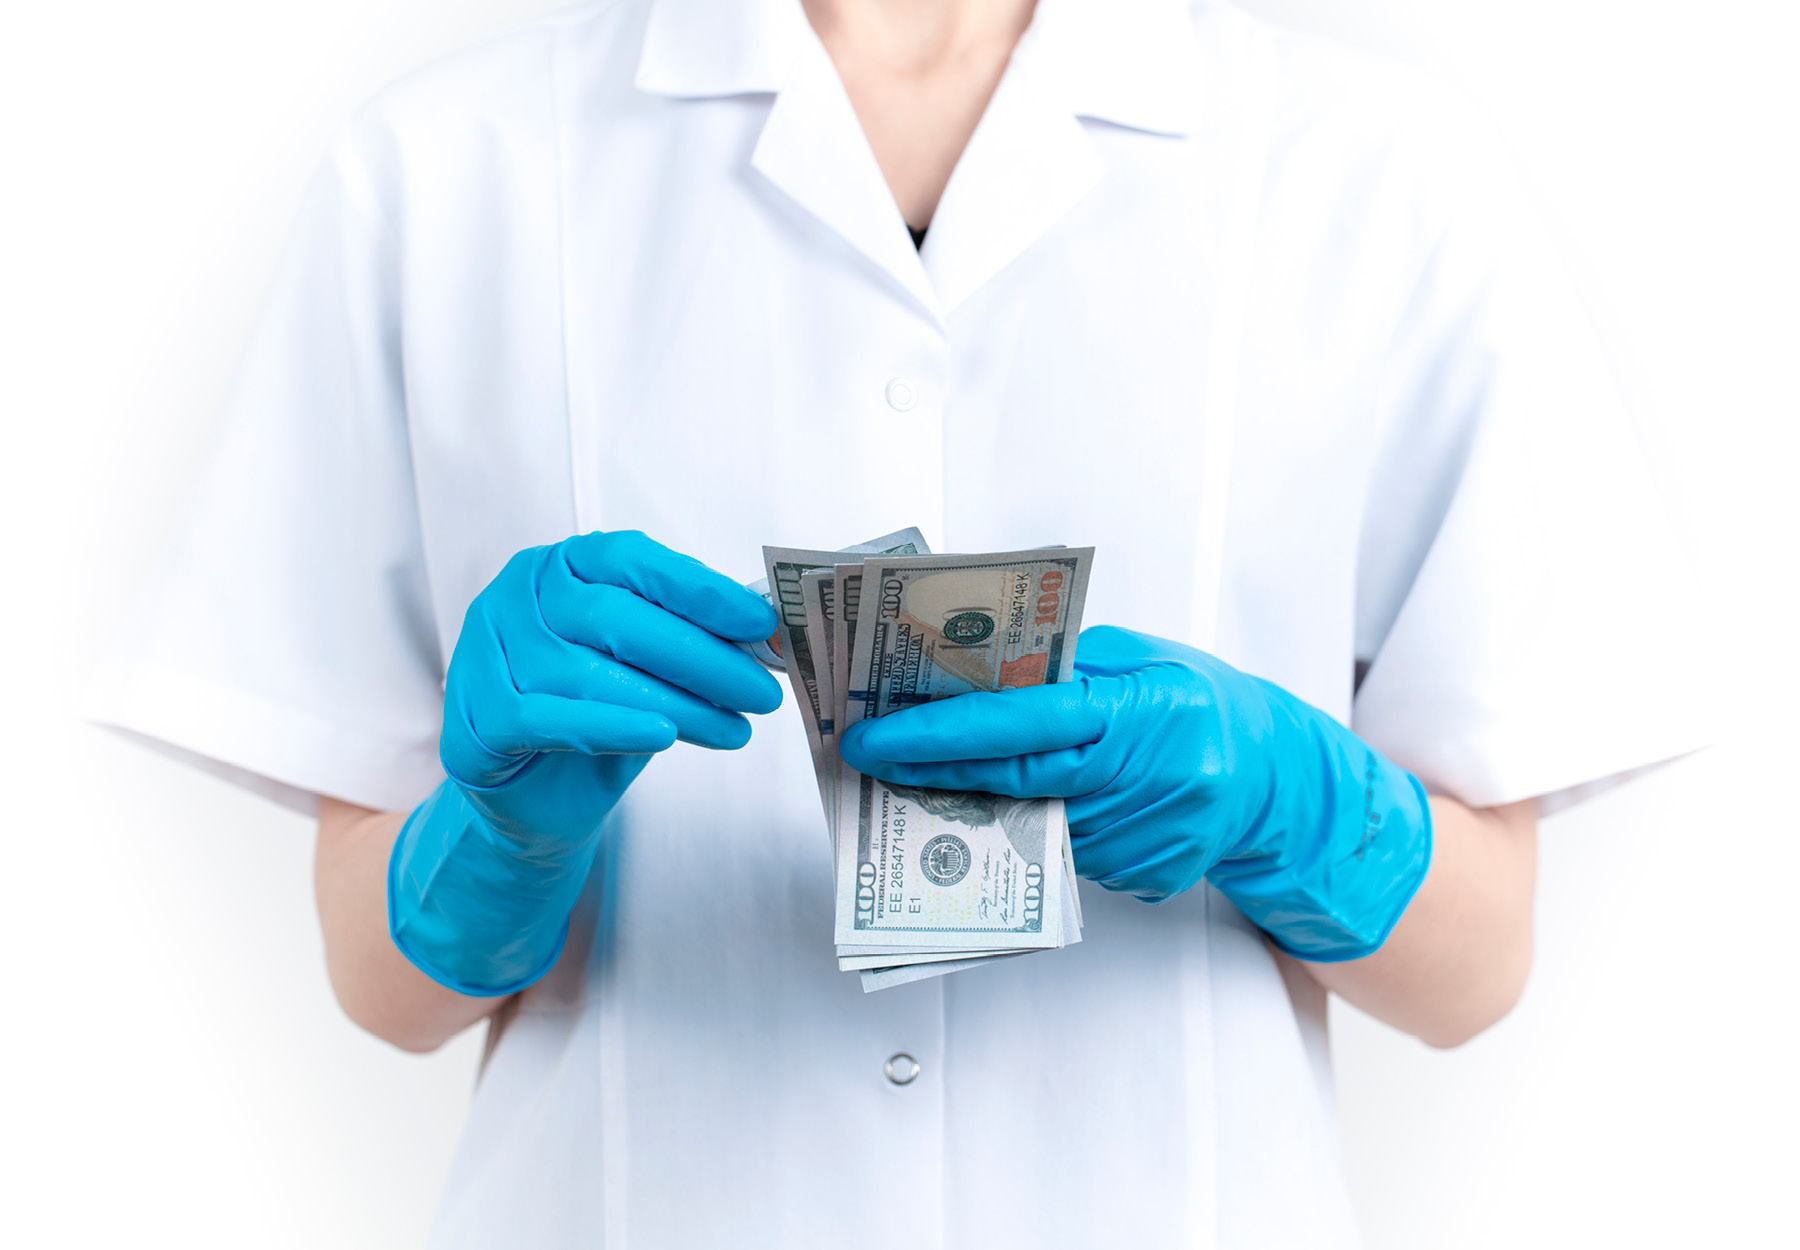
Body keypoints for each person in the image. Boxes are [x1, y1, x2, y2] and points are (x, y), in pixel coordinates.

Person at [88, 0, 1711, 1245]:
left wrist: (1290, 799)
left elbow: (1477, 966)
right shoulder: (449, 173)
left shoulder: (1372, 173)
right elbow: (382, 982)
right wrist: (495, 841)